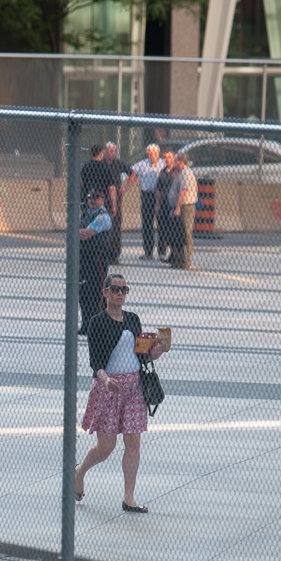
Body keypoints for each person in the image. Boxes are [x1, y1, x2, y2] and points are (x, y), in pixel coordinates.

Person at [74, 274, 165, 513]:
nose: (120, 293)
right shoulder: (97, 322)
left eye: (124, 289)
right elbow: (95, 363)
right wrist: (106, 381)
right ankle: (79, 471)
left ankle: (129, 497)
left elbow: (141, 354)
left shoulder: (133, 320)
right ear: (104, 292)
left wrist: (158, 351)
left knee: (133, 441)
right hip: (108, 388)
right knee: (106, 447)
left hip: (134, 387)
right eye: (115, 289)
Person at [122, 143, 165, 260]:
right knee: (147, 224)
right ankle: (148, 251)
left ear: (158, 153)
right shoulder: (142, 164)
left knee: (161, 224)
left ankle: (162, 251)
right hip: (146, 195)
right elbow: (132, 172)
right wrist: (132, 183)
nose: (152, 156)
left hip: (160, 195)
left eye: (154, 153)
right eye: (150, 153)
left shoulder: (163, 163)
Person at [78, 189, 113, 335]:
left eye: (95, 197)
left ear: (103, 200)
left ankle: (97, 326)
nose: (91, 200)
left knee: (95, 293)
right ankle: (86, 324)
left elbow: (86, 234)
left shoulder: (102, 217)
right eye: (89, 197)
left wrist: (77, 232)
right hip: (83, 258)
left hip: (96, 259)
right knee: (83, 293)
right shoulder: (86, 214)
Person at [168, 152, 198, 270]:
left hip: (186, 207)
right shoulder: (181, 173)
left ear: (180, 162)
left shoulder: (186, 174)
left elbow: (183, 192)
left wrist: (177, 208)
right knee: (179, 234)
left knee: (186, 233)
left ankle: (186, 260)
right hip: (181, 206)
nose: (174, 163)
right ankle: (179, 259)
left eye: (175, 161)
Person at [103, 142, 128, 265]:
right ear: (105, 151)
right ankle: (104, 253)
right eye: (110, 151)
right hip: (103, 199)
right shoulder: (101, 163)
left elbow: (132, 172)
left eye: (114, 151)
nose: (113, 153)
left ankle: (115, 254)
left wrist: (125, 188)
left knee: (116, 227)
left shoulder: (118, 163)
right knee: (104, 226)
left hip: (116, 199)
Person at [154, 148, 177, 263]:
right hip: (163, 204)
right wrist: (157, 205)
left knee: (172, 229)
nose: (167, 159)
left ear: (173, 157)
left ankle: (173, 253)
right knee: (162, 229)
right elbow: (158, 189)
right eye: (165, 157)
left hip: (172, 204)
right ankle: (162, 252)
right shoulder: (162, 172)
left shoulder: (177, 171)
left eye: (169, 157)